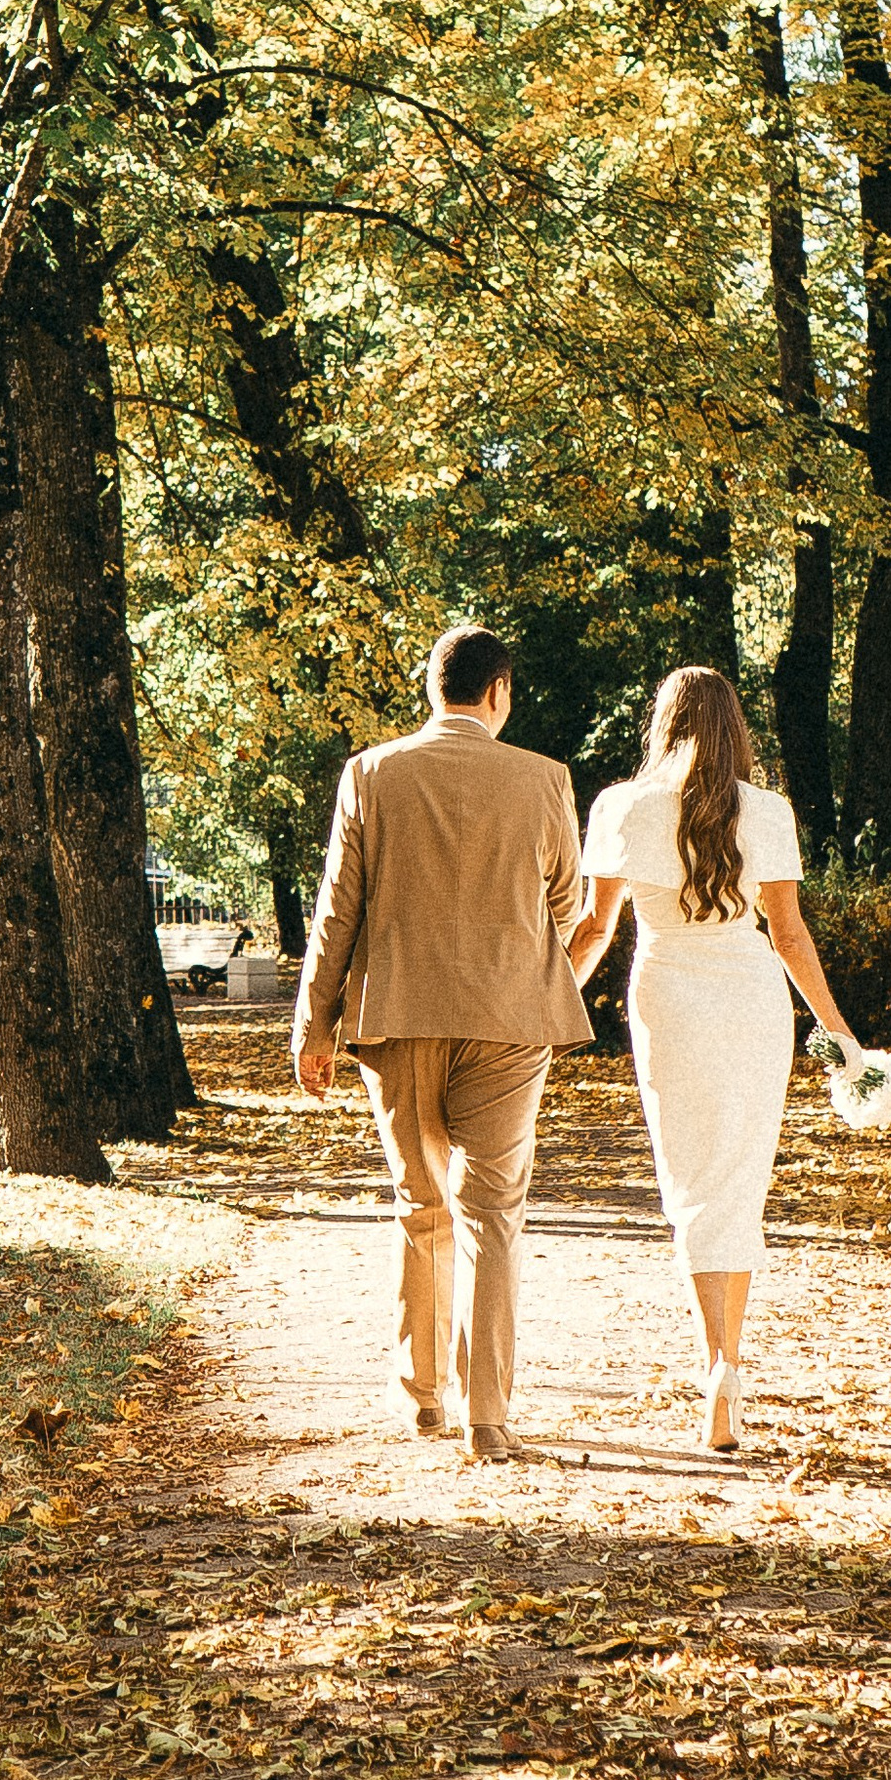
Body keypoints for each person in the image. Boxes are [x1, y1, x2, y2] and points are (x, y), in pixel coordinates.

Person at [293, 624, 589, 1461]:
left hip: (399, 1013)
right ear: (498, 692)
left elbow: (337, 909)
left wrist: (314, 1021)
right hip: (508, 1017)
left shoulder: (372, 774)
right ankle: (487, 1416)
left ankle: (423, 1399)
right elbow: (565, 903)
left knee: (421, 1205)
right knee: (492, 1211)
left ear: (434, 688)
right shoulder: (544, 781)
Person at [569, 664, 860, 1453]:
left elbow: (595, 930)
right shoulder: (767, 810)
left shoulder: (622, 807)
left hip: (669, 993)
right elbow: (791, 936)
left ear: (663, 724)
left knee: (691, 1179)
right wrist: (839, 1033)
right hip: (752, 997)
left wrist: (544, 1000)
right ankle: (729, 1366)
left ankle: (714, 1366)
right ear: (736, 726)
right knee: (739, 1180)